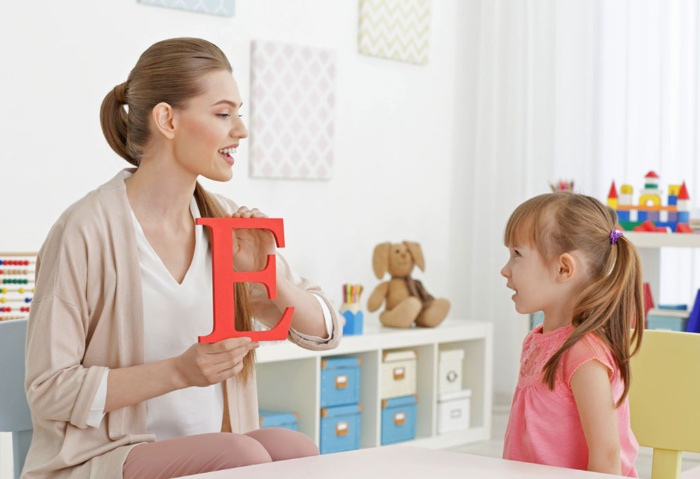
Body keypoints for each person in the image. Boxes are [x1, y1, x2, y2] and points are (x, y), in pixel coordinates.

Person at [23, 37, 341, 479]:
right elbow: (49, 390)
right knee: (241, 458)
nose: (241, 130)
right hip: (107, 456)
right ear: (168, 120)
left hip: (218, 445)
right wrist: (179, 371)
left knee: (296, 448)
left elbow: (326, 330)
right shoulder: (85, 231)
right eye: (223, 113)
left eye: (239, 113)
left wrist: (264, 279)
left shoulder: (227, 220)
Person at [500, 191, 644, 477]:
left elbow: (606, 455)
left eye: (517, 255)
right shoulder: (537, 340)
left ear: (564, 268)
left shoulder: (582, 354)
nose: (505, 270)